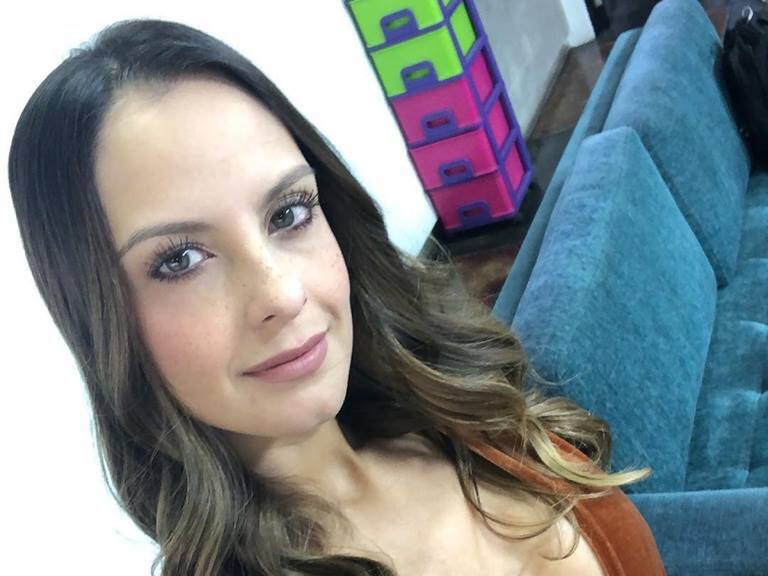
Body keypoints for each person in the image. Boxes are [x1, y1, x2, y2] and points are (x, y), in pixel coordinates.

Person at [7, 18, 666, 576]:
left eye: (289, 213)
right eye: (180, 260)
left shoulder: (460, 412)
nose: (283, 293)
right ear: (102, 322)